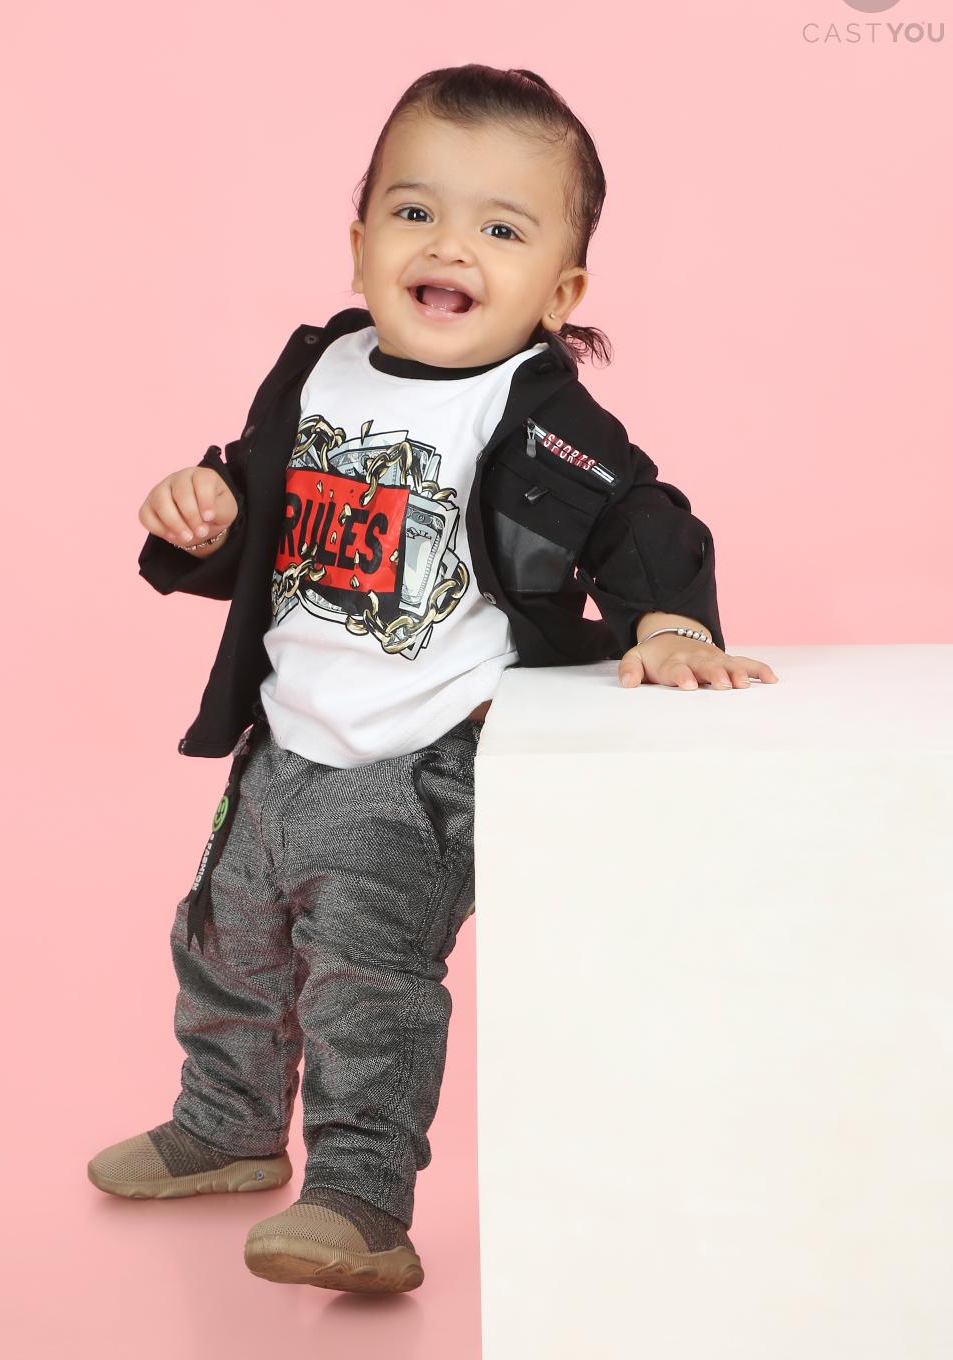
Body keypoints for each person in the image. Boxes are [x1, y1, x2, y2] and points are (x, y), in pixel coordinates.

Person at [87, 64, 778, 1295]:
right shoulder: (321, 369)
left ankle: (360, 1200)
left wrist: (668, 620)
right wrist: (210, 506)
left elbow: (639, 513)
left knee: (369, 980)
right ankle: (228, 1126)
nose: (450, 245)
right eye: (414, 212)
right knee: (225, 942)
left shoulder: (530, 409)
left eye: (501, 230)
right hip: (285, 737)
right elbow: (255, 485)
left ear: (560, 292)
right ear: (358, 243)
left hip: (422, 759)